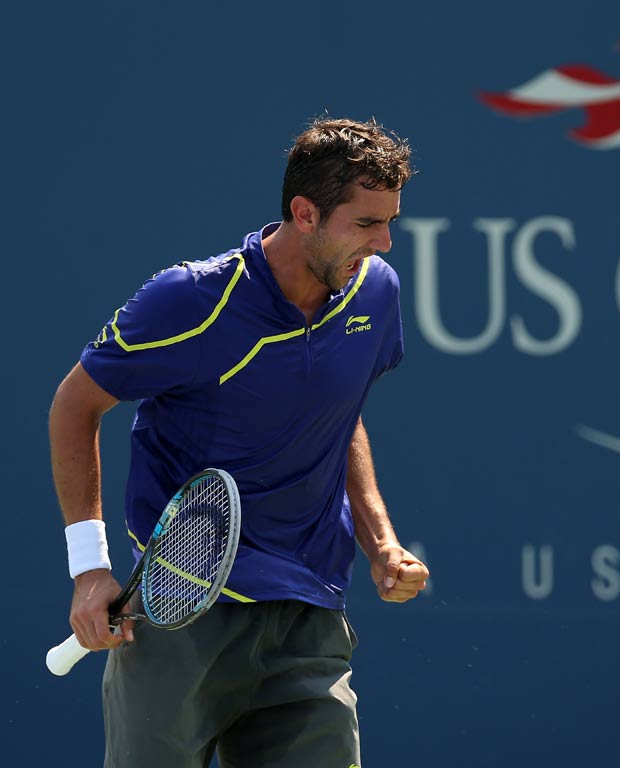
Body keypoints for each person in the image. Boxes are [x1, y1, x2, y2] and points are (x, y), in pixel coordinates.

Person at [49, 116, 430, 768]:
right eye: (367, 224)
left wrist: (382, 542)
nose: (386, 242)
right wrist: (89, 569)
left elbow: (339, 416)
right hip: (182, 616)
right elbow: (75, 404)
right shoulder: (190, 302)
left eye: (390, 221)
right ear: (305, 213)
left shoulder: (376, 292)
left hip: (309, 617)